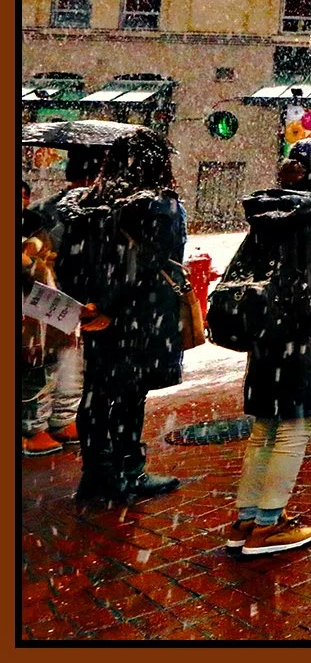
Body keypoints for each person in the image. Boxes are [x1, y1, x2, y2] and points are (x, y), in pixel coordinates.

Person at [225, 138, 311, 556]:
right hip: (308, 336)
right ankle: (269, 525)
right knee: (294, 428)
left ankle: (246, 519)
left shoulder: (266, 213)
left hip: (267, 338)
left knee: (265, 426)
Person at [52, 130, 186, 504]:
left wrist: (90, 303)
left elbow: (69, 260)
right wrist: (112, 305)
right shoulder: (158, 206)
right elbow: (150, 265)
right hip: (138, 317)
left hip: (97, 316)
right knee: (130, 395)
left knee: (97, 393)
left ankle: (96, 476)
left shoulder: (87, 204)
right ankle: (127, 473)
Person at [19, 146, 106, 458]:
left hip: (56, 298)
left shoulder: (46, 212)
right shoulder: (63, 210)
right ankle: (34, 428)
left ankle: (60, 420)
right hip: (44, 302)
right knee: (38, 366)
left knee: (63, 364)